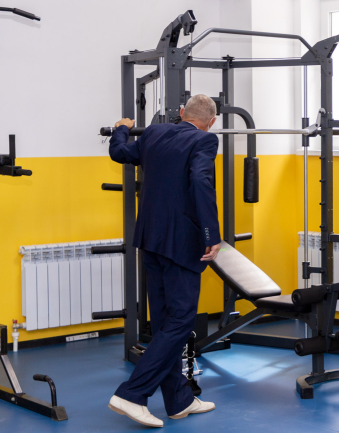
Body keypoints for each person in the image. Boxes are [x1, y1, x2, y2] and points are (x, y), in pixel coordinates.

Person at [106, 95, 221, 428]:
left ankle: (178, 400)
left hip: (150, 241)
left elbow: (119, 152)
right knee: (181, 321)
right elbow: (201, 181)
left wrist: (121, 129)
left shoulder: (153, 133)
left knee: (164, 324)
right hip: (181, 244)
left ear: (182, 113)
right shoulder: (205, 140)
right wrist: (211, 234)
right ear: (211, 122)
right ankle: (132, 394)